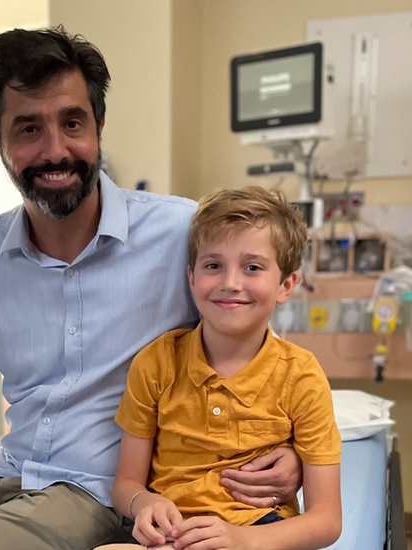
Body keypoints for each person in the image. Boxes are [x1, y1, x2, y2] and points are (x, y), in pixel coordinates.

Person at [0, 28, 303, 550]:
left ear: (99, 123)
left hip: (97, 493)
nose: (56, 150)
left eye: (72, 123)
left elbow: (252, 351)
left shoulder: (180, 233)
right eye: (28, 129)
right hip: (2, 478)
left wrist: (296, 452)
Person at [105, 186, 342, 550]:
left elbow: (326, 521)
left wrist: (242, 539)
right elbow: (126, 484)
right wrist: (145, 503)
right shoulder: (156, 364)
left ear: (286, 284)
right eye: (213, 265)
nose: (230, 283)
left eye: (252, 267)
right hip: (170, 535)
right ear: (192, 278)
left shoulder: (301, 377)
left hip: (258, 533)